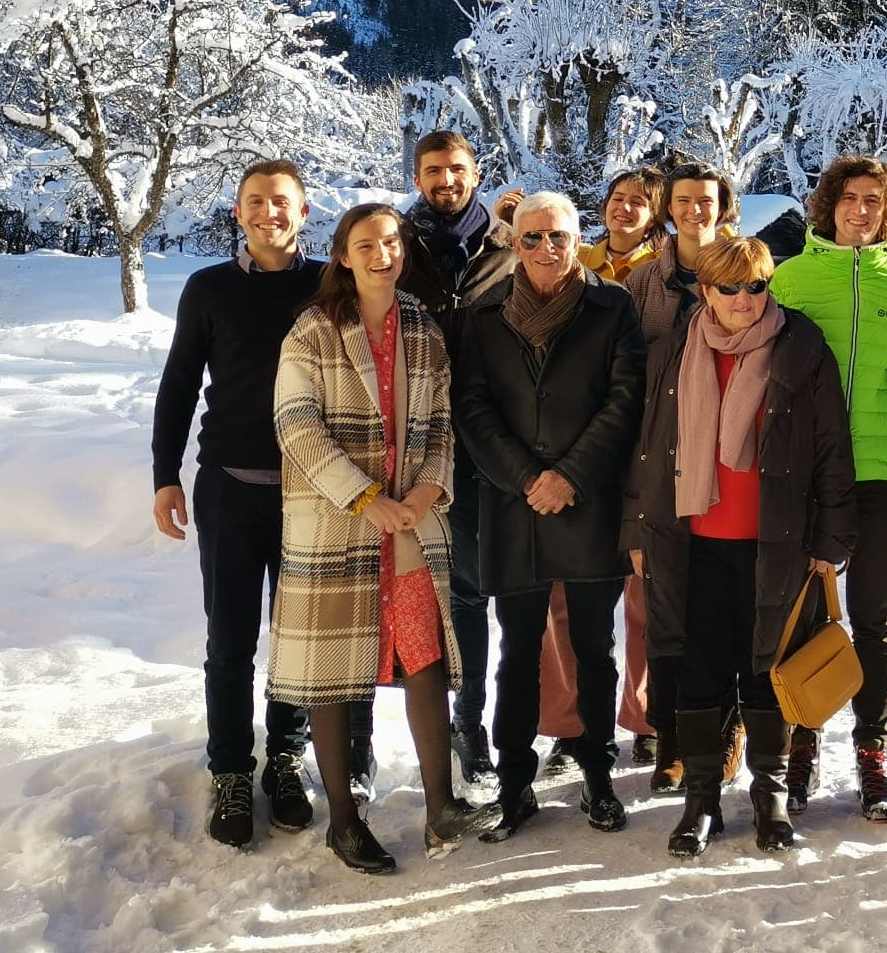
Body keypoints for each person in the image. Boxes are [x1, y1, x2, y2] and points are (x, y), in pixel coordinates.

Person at [151, 159, 373, 849]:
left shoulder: (328, 287)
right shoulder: (208, 288)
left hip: (315, 494)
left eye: (282, 202)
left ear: (304, 213)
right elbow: (181, 382)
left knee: (301, 640)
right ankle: (230, 771)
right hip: (229, 490)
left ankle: (285, 760)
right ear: (239, 213)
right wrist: (166, 475)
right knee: (231, 640)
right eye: (255, 201)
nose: (268, 212)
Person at [268, 203, 492, 873]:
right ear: (342, 255)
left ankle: (441, 805)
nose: (381, 254)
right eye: (365, 244)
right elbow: (296, 423)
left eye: (391, 242)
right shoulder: (314, 329)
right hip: (339, 518)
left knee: (423, 656)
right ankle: (343, 819)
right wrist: (364, 496)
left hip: (409, 520)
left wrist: (429, 489)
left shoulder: (421, 326)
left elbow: (443, 418)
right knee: (334, 673)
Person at [623, 236, 858, 857]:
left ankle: (770, 796)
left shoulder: (801, 349)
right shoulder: (673, 351)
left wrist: (831, 536)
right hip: (689, 543)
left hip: (775, 542)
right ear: (706, 291)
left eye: (755, 286)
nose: (743, 299)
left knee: (765, 671)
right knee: (699, 672)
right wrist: (635, 528)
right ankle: (701, 799)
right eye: (728, 287)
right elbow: (644, 445)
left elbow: (833, 446)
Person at [452, 191, 646, 840]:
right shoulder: (481, 315)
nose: (545, 249)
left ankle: (596, 772)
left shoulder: (611, 306)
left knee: (594, 649)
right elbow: (472, 409)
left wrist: (568, 476)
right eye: (531, 237)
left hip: (588, 503)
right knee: (518, 651)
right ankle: (514, 782)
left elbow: (625, 401)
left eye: (557, 236)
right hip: (513, 506)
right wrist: (529, 478)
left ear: (576, 237)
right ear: (513, 241)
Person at [768, 155, 887, 818]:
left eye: (874, 201)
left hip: (885, 474)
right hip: (810, 477)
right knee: (805, 619)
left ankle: (873, 755)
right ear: (828, 206)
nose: (862, 210)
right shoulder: (793, 279)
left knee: (873, 619)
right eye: (850, 199)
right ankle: (802, 744)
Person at [394, 129, 520, 786]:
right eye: (434, 169)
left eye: (458, 169)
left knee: (469, 593)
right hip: (407, 445)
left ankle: (469, 727)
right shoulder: (396, 248)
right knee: (396, 593)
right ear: (417, 176)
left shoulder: (508, 248)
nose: (447, 179)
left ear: (477, 173)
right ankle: (367, 741)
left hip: (482, 448)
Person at [536, 164, 669, 775]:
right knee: (564, 596)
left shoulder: (668, 270)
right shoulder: (570, 259)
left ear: (657, 213)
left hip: (644, 448)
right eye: (618, 198)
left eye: (640, 201)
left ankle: (644, 719)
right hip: (578, 450)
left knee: (645, 594)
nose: (626, 208)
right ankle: (568, 726)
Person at [622, 161, 745, 793]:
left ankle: (725, 736)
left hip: (730, 470)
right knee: (667, 613)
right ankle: (669, 737)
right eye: (684, 200)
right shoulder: (644, 280)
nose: (694, 209)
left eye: (707, 200)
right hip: (662, 464)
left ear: (724, 207)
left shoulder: (748, 273)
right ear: (667, 207)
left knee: (727, 615)